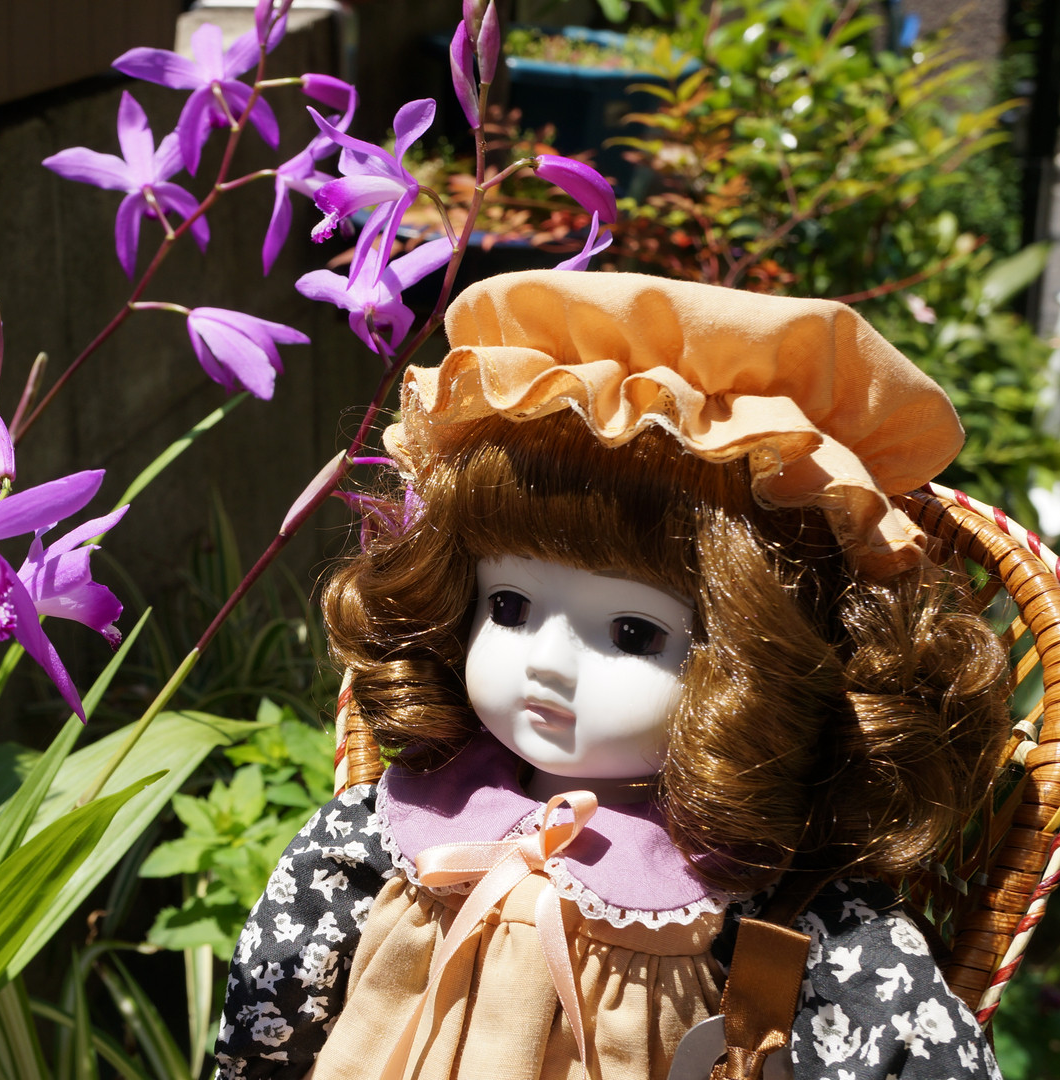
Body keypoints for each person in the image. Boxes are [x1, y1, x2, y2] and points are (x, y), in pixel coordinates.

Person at [214, 271, 1010, 1080]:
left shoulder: (757, 895)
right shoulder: (400, 823)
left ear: (760, 663)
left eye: (634, 633)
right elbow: (273, 1001)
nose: (545, 661)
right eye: (509, 606)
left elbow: (903, 1041)